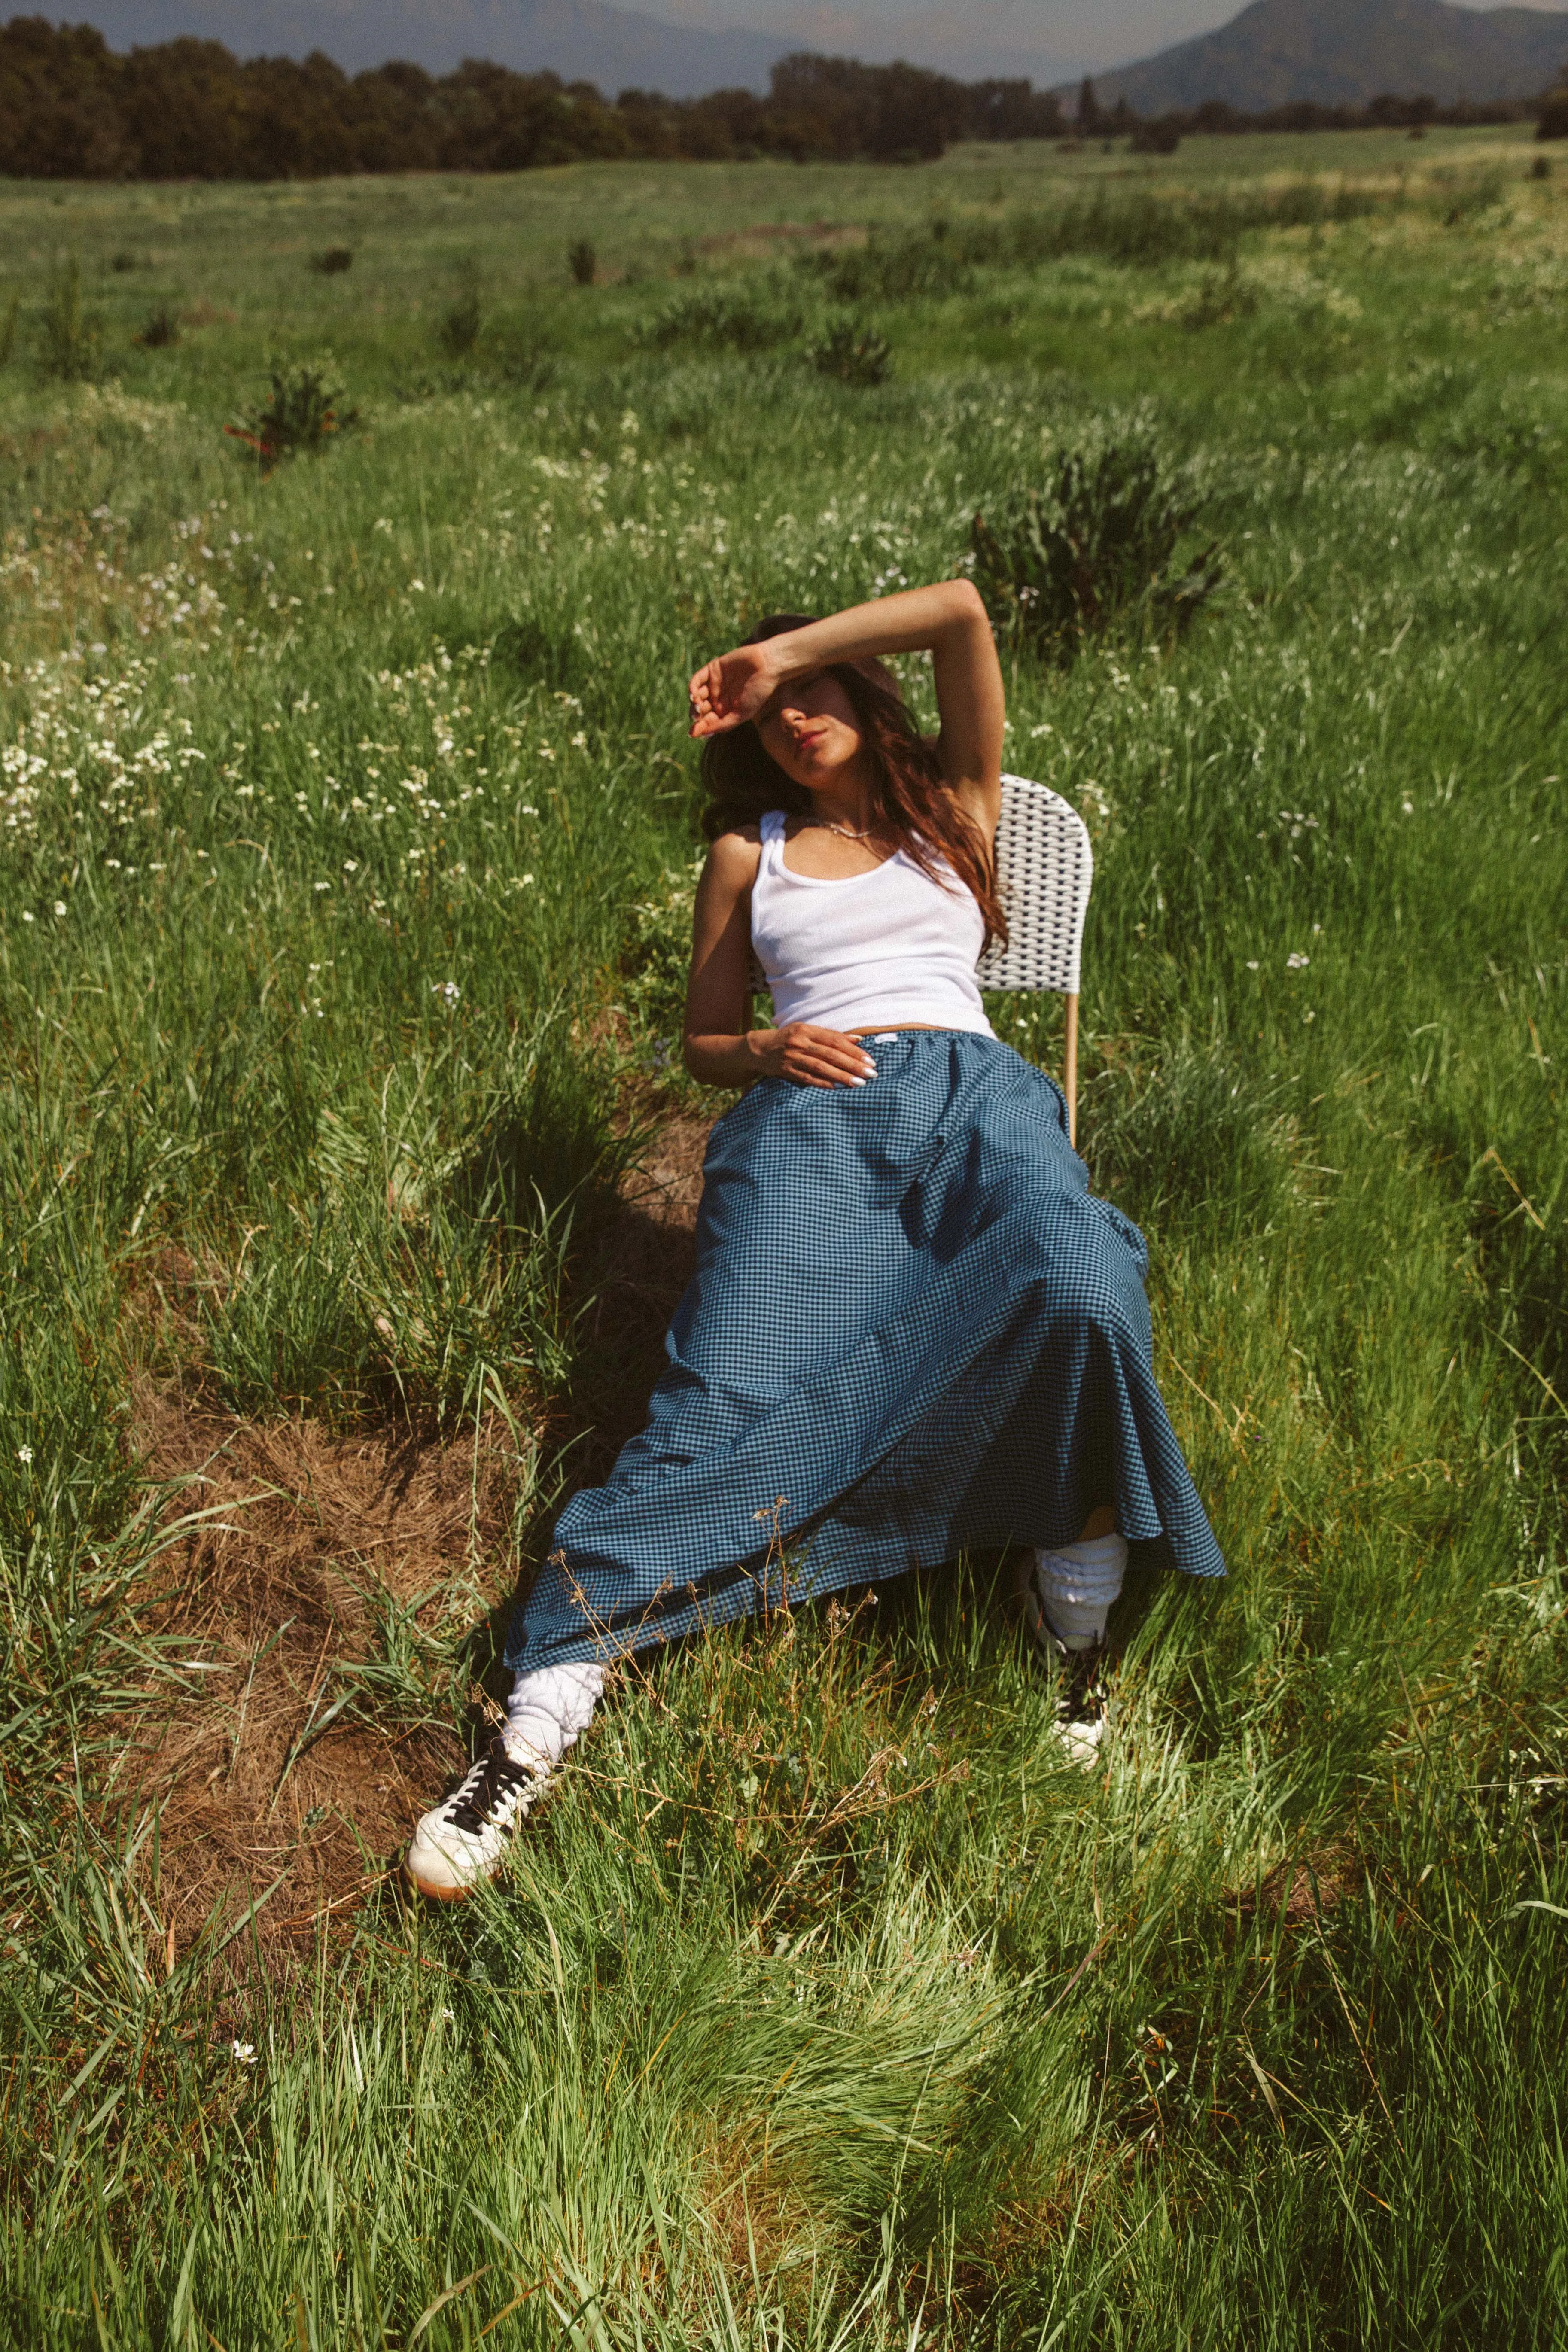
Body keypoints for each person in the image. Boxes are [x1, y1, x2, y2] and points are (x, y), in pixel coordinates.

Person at [405, 581, 1224, 1900]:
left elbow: (961, 611)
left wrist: (780, 651)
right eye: (773, 716)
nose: (794, 721)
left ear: (859, 688)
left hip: (976, 1108)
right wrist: (768, 1045)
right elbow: (701, 1040)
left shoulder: (956, 805)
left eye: (816, 696)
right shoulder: (749, 853)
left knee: (1081, 1285)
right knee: (717, 1391)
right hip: (810, 1121)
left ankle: (1069, 1616)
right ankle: (540, 1715)